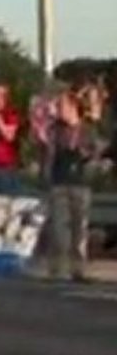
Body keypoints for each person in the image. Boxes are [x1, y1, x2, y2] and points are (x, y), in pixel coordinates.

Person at [45, 91, 100, 282]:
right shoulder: (56, 130)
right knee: (59, 228)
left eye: (62, 106)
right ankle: (57, 269)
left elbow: (95, 152)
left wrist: (87, 154)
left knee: (79, 230)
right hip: (59, 181)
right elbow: (47, 146)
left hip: (80, 181)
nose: (59, 110)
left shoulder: (87, 129)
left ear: (73, 107)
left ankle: (78, 269)